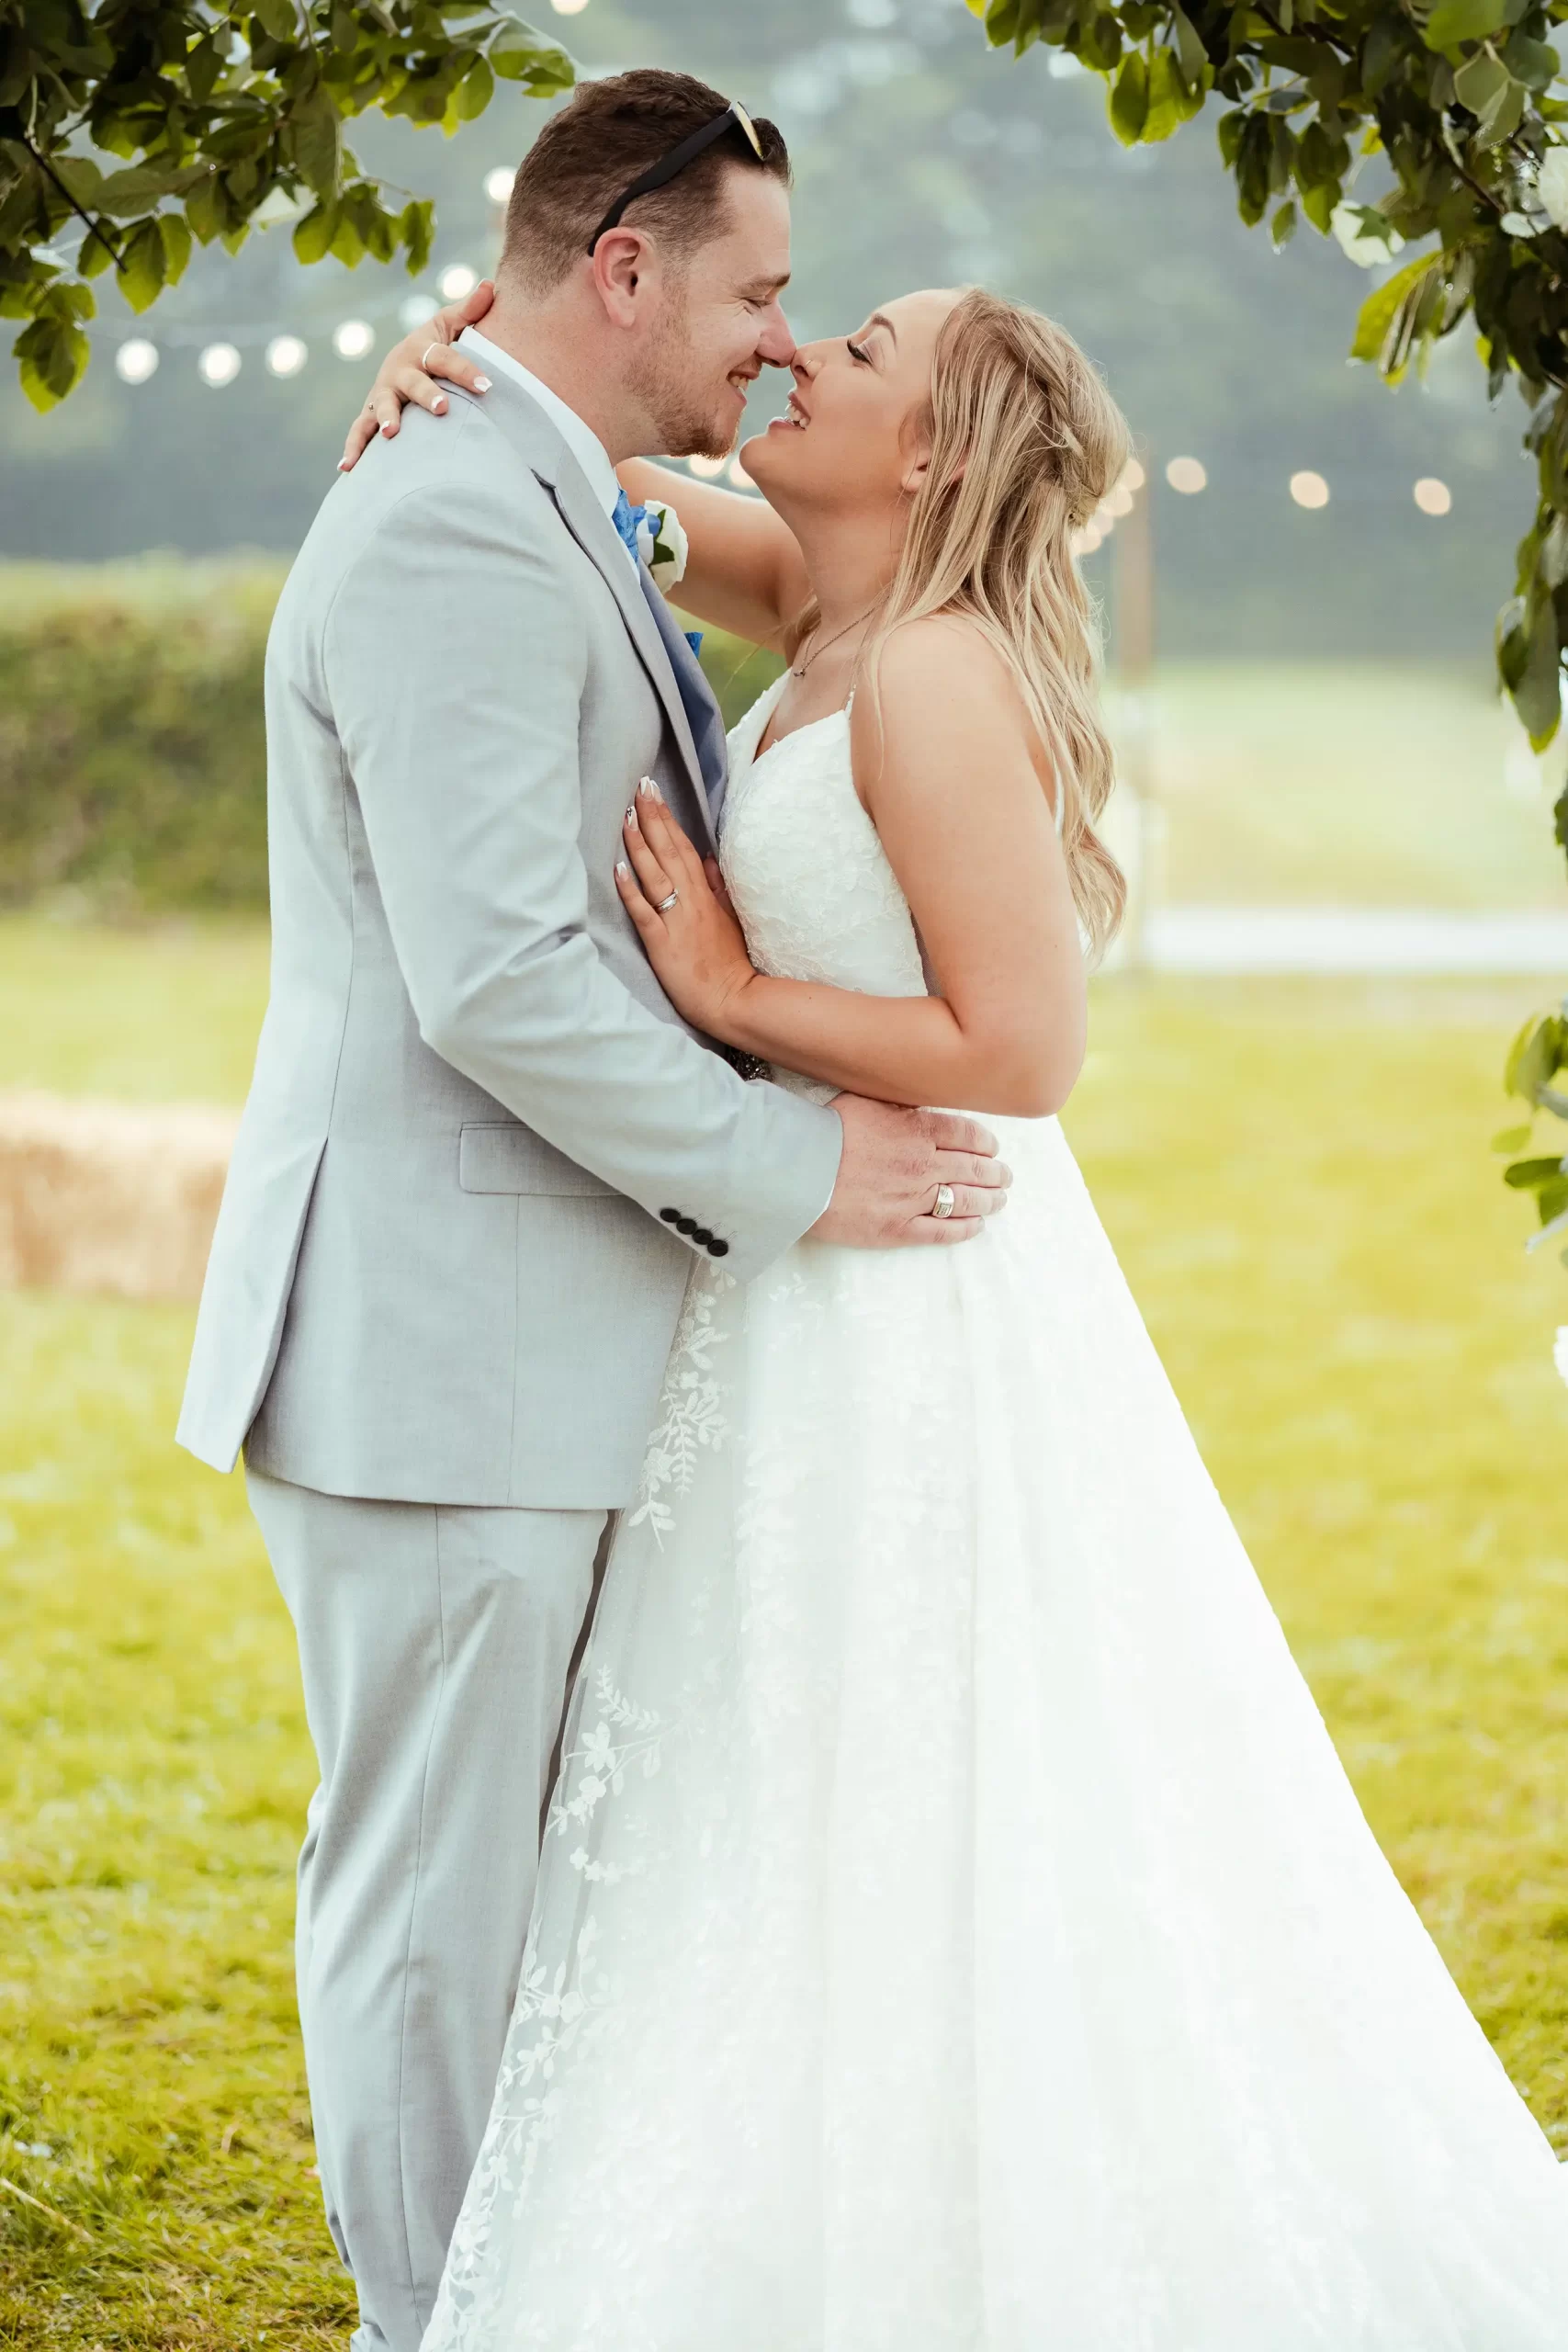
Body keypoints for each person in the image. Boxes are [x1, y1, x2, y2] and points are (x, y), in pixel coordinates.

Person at [344, 252, 1568, 2352]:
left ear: (922, 449)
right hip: (796, 1274)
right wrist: (437, 363)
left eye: (862, 346)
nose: (802, 348)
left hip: (915, 1277)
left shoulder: (928, 672)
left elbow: (1022, 1044)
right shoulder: (821, 605)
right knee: (779, 1768)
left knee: (931, 1755)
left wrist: (730, 992)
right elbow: (597, 456)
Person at [175, 70, 1010, 2352]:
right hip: (436, 1350)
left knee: (536, 1893)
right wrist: (796, 1161)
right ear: (624, 269)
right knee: (437, 1909)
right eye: (749, 289)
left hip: (529, 1344)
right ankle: (438, 2324)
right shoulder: (457, 511)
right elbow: (502, 978)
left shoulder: (553, 488)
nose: (773, 335)